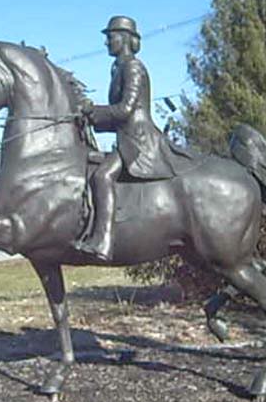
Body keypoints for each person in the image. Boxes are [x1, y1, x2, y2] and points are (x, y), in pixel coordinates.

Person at [74, 15, 196, 261]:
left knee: (102, 176)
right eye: (107, 37)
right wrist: (91, 118)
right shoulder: (119, 67)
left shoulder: (133, 67)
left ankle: (103, 240)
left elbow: (126, 110)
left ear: (127, 39)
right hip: (128, 137)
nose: (107, 41)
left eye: (112, 36)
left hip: (139, 142)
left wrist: (93, 111)